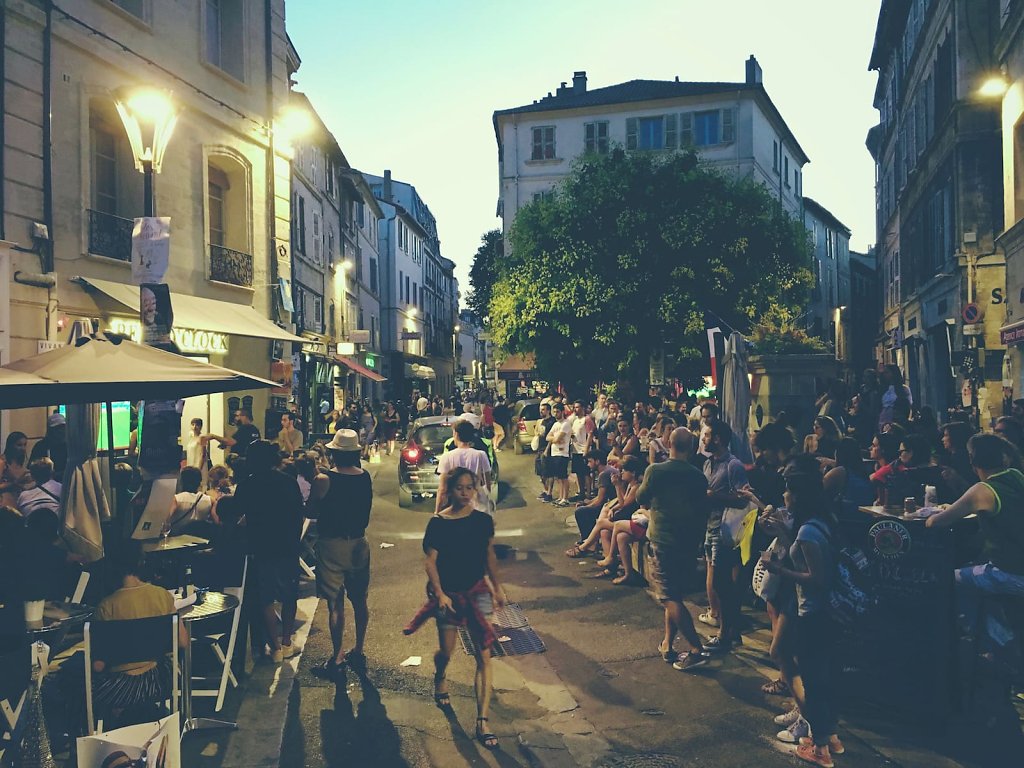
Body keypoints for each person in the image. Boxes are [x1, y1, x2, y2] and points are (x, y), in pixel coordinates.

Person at [404, 467, 507, 750]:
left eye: (469, 487)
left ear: (475, 489)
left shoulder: (484, 521)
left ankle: (482, 720)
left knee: (484, 655)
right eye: (459, 488)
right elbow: (430, 562)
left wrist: (498, 588)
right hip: (449, 594)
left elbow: (489, 555)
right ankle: (440, 677)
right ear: (450, 490)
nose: (465, 492)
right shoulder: (438, 523)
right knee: (446, 651)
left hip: (478, 592)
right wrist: (439, 593)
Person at [760, 455, 844, 764]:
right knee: (817, 675)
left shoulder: (808, 531)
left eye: (788, 492)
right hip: (817, 612)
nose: (784, 497)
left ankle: (818, 744)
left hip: (813, 612)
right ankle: (827, 737)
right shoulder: (822, 521)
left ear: (799, 495)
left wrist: (777, 568)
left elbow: (816, 579)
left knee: (812, 677)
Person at [926, 434, 1024, 635]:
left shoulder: (982, 489)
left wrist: (929, 515)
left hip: (1012, 574)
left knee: (951, 579)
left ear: (972, 459)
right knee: (977, 577)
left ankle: (980, 637)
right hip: (1014, 568)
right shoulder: (1016, 475)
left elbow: (936, 522)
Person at [636, 427, 711, 671]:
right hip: (688, 542)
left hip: (663, 540)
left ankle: (696, 649)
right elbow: (703, 510)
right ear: (691, 448)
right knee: (675, 594)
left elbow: (640, 497)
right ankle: (668, 644)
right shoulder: (698, 477)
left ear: (668, 443)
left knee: (668, 596)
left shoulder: (656, 471)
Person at [308, 430, 373, 677]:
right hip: (359, 543)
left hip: (332, 545)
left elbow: (311, 511)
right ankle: (359, 649)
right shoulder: (365, 477)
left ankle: (337, 657)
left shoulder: (324, 480)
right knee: (359, 600)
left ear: (333, 453)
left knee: (336, 603)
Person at [233, 440, 303, 663]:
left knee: (266, 598)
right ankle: (287, 642)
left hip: (260, 547)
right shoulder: (289, 482)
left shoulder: (246, 485)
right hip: (287, 545)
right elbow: (297, 514)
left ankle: (275, 647)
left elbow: (236, 515)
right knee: (289, 595)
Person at [702, 419, 749, 651]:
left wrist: (714, 497)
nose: (703, 439)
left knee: (722, 583)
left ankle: (725, 633)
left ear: (718, 438)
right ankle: (732, 630)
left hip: (725, 530)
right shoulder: (708, 464)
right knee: (719, 581)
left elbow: (744, 498)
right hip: (709, 527)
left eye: (707, 435)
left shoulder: (733, 465)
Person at [435, 420, 492, 515]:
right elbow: (488, 484)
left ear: (456, 434)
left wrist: (437, 511)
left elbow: (442, 489)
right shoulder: (481, 455)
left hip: (455, 504)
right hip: (477, 505)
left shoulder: (447, 457)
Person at [168, 466, 214, 535]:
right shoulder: (211, 500)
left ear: (182, 481)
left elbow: (166, 520)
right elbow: (217, 521)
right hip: (201, 539)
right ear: (199, 482)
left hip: (179, 539)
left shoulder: (176, 499)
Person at [568, 400, 594, 502]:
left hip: (583, 449)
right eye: (574, 407)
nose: (575, 409)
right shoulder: (575, 420)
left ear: (583, 408)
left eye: (578, 407)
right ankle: (581, 492)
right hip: (575, 449)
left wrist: (586, 449)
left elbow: (590, 434)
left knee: (586, 473)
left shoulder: (586, 419)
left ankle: (588, 494)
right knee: (578, 472)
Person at [30, 413, 68, 478]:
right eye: (57, 428)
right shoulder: (41, 447)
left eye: (63, 427)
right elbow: (33, 469)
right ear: (50, 430)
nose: (61, 431)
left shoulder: (70, 447)